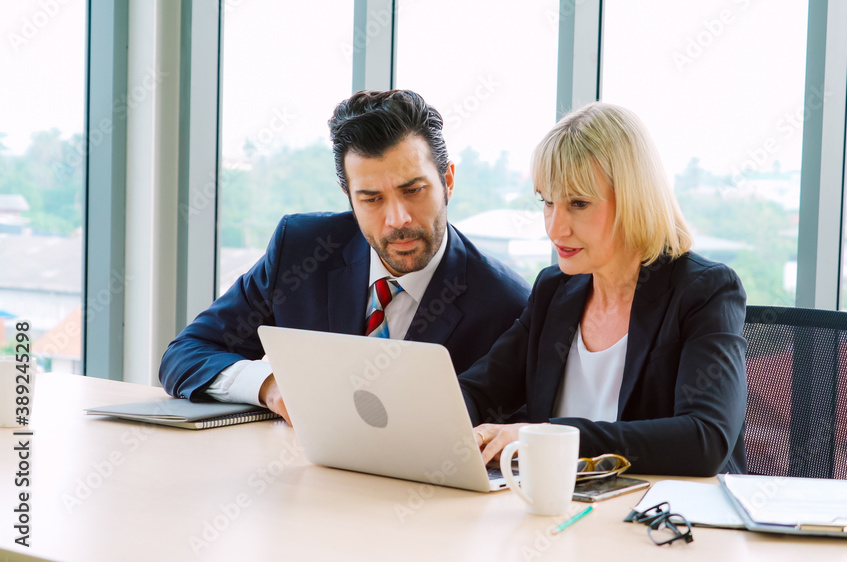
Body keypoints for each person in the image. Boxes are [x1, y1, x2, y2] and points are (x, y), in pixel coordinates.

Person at [160, 90, 530, 425]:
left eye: (413, 190)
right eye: (371, 199)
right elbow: (186, 354)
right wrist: (272, 386)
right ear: (348, 195)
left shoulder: (507, 302)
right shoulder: (301, 251)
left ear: (447, 181)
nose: (397, 219)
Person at [460, 102, 748, 476]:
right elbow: (479, 391)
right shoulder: (554, 290)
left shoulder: (704, 292)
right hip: (560, 511)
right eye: (548, 202)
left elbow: (704, 440)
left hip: (662, 520)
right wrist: (443, 423)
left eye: (578, 203)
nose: (555, 227)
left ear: (633, 201)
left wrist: (550, 438)